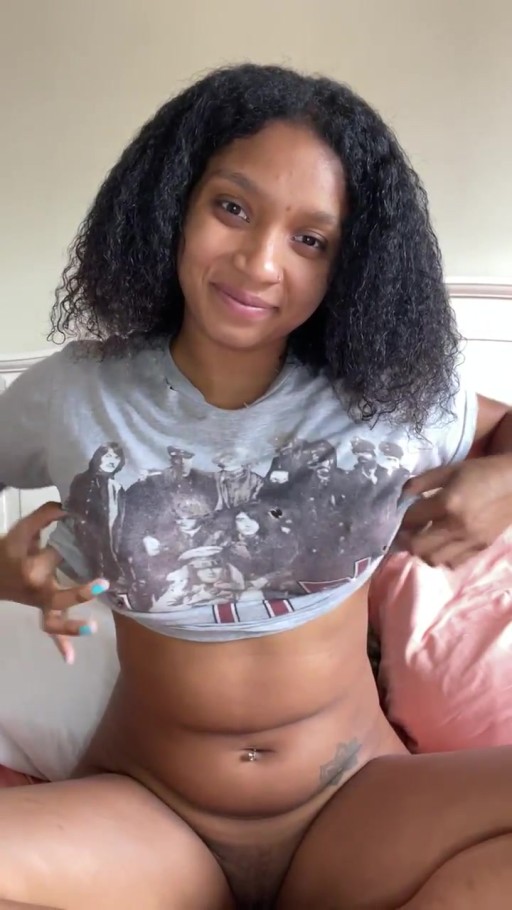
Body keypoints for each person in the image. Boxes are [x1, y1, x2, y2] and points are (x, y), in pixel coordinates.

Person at [0, 62, 512, 910]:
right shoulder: (76, 394)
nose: (260, 261)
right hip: (151, 813)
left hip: (355, 805)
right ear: (173, 203)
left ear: (350, 264)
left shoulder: (390, 398)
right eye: (232, 208)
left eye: (312, 240)